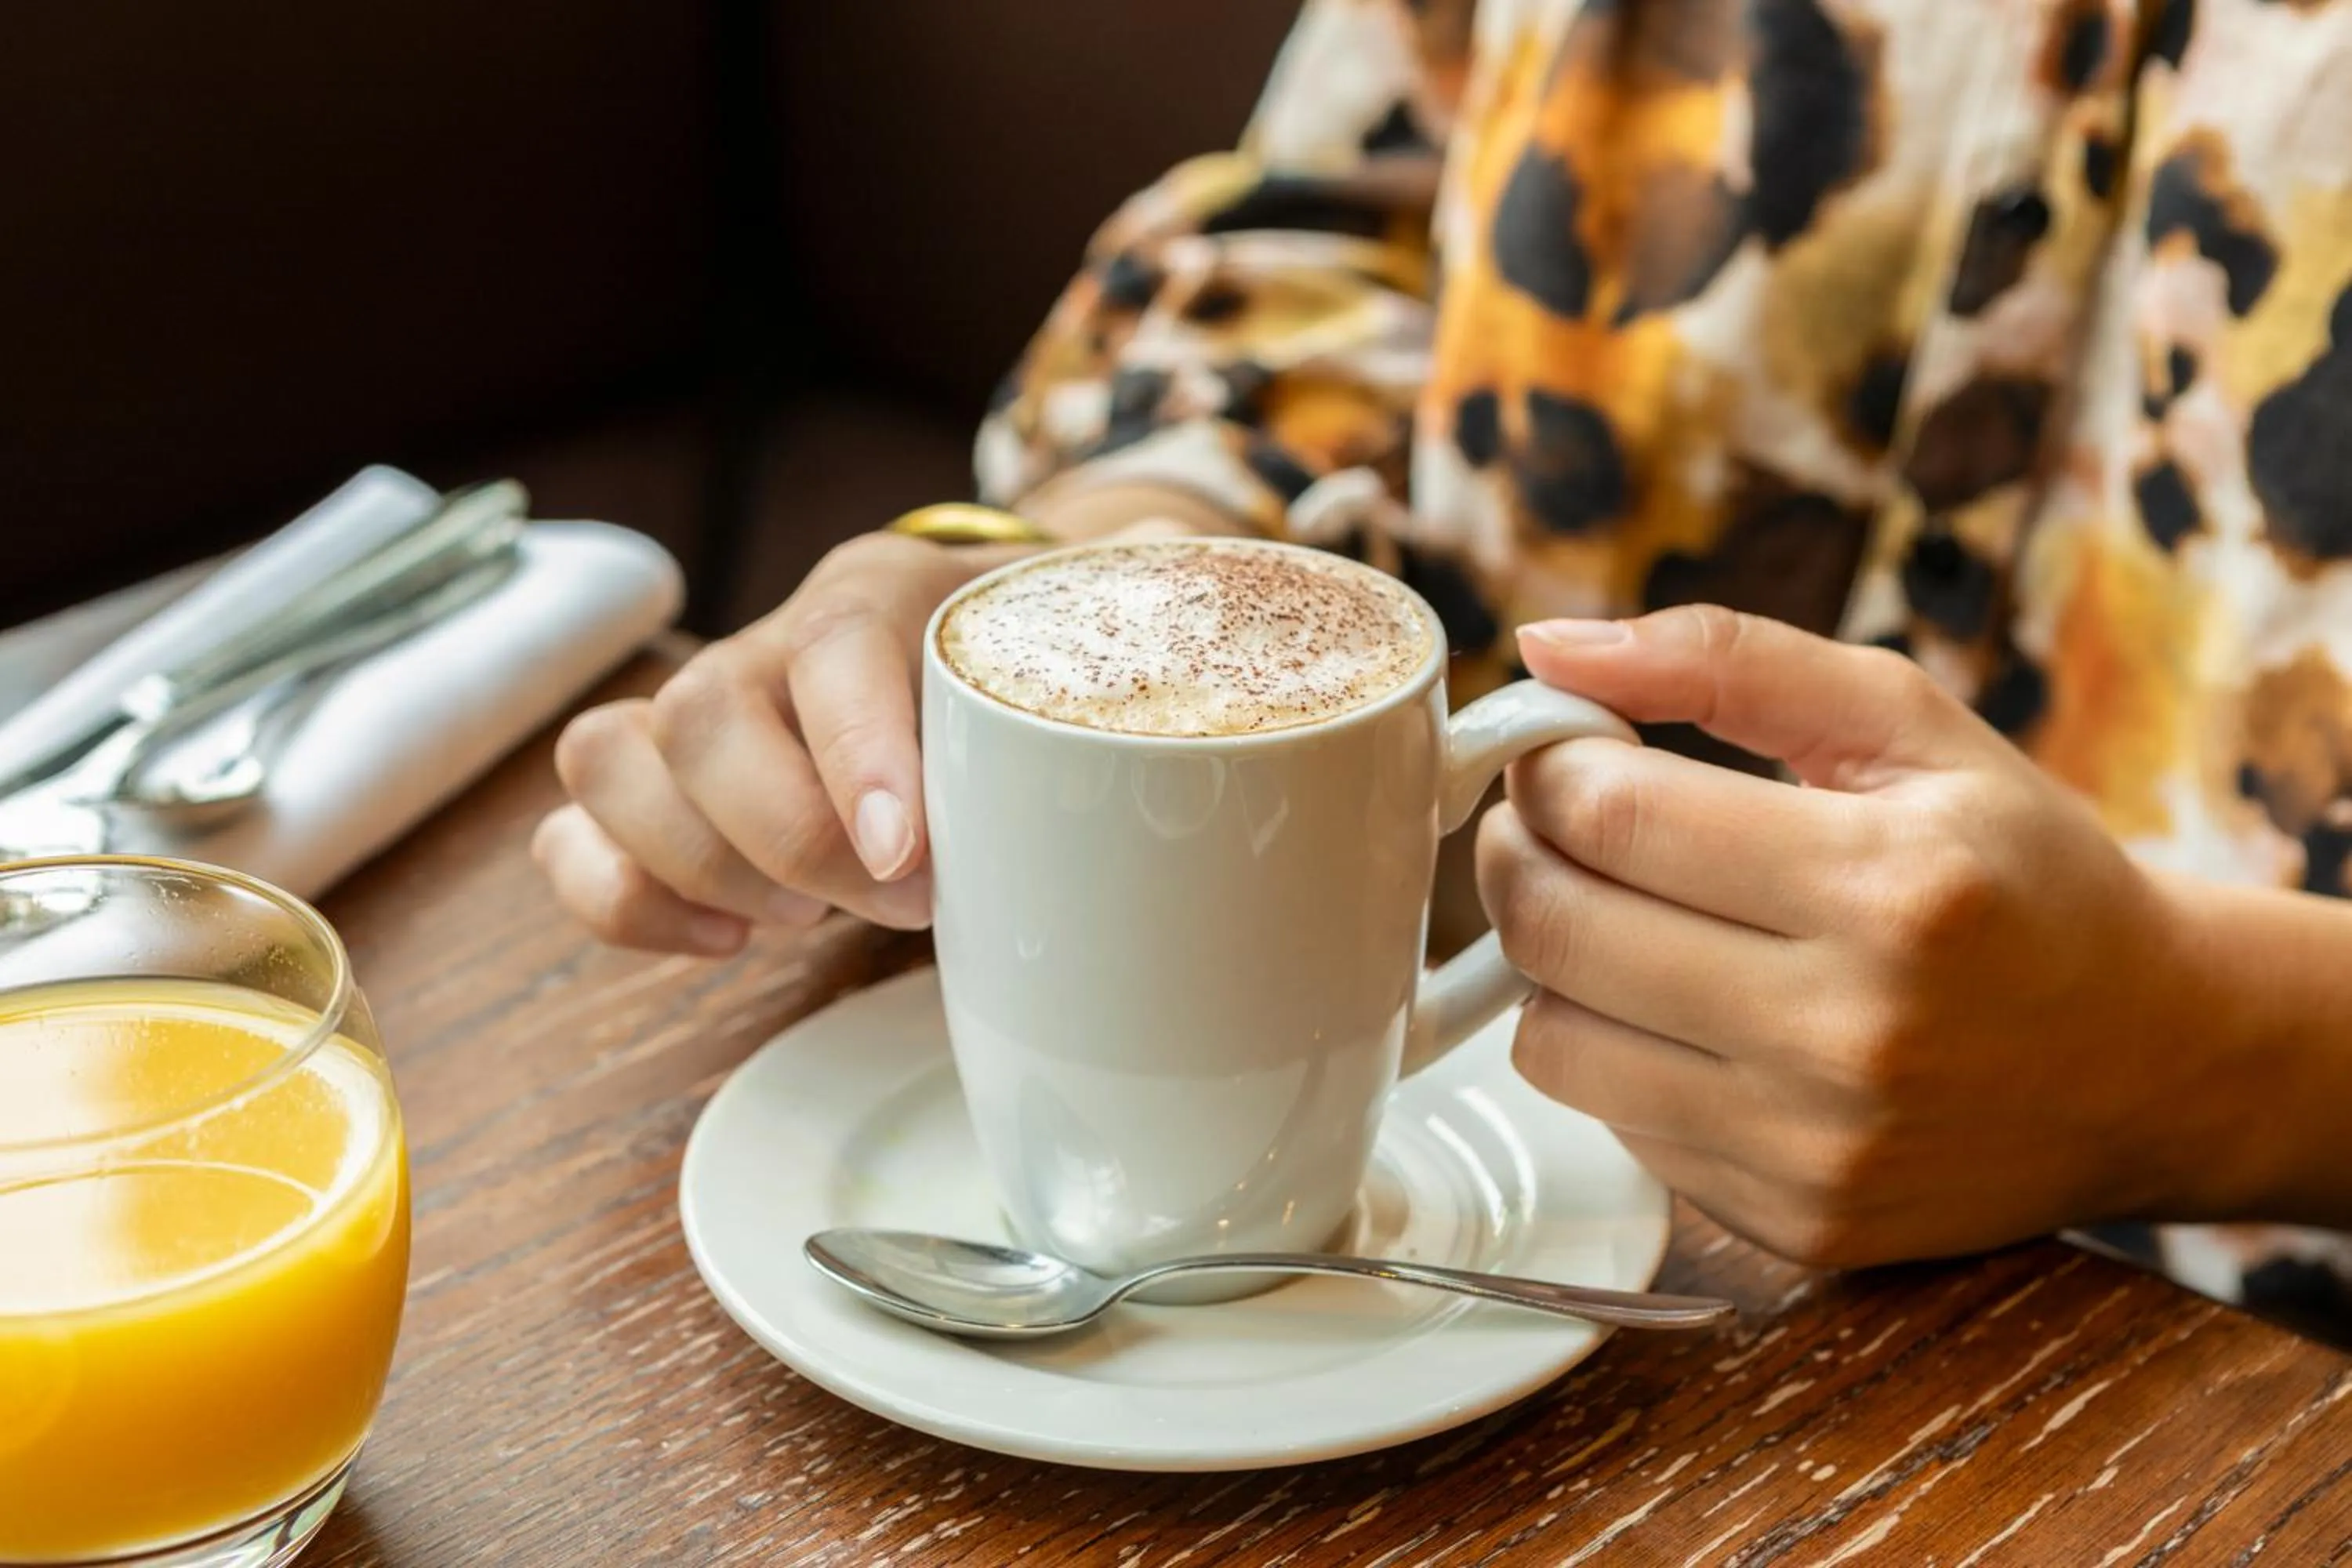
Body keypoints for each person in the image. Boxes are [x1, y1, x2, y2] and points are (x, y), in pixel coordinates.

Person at [535, 0, 2352, 1339]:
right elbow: (1350, 213)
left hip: (2220, 1361)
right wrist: (1104, 573)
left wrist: (2207, 1055)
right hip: (1595, 1242)